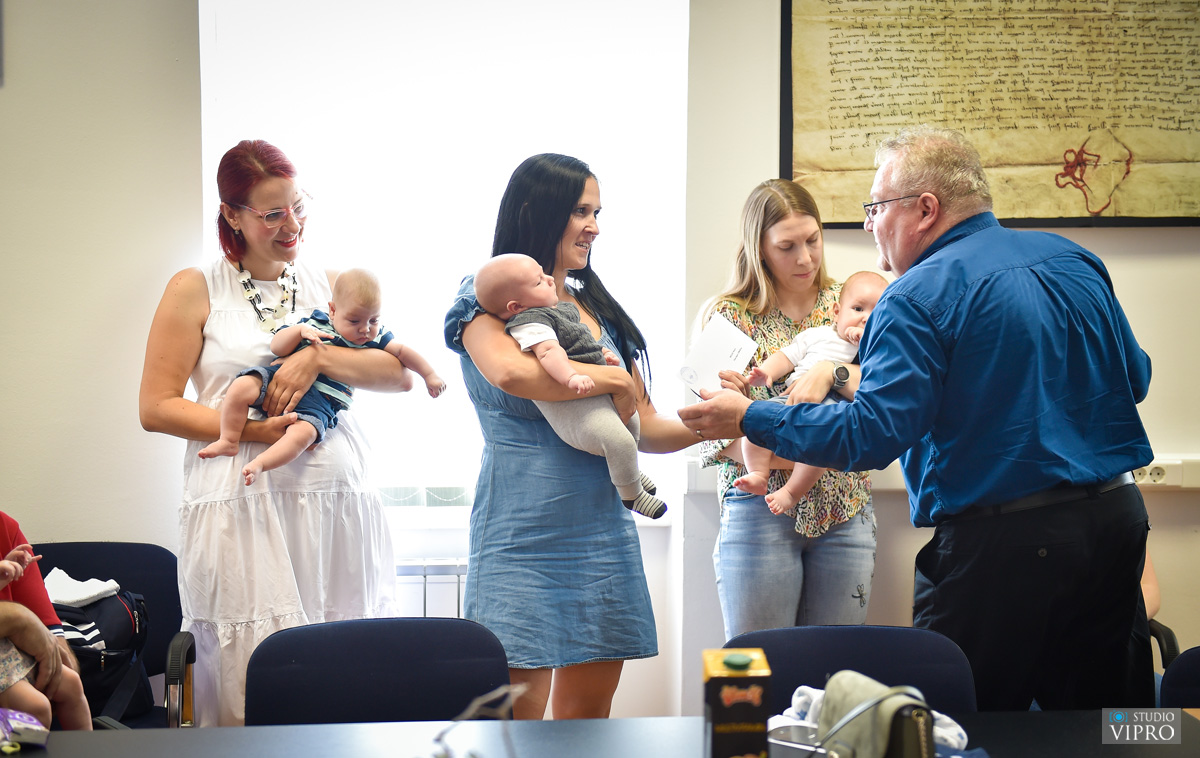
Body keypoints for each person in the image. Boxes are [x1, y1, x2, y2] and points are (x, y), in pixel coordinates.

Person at [680, 125, 1154, 710]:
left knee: (962, 727)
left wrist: (753, 416)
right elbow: (1137, 379)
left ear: (925, 209)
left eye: (875, 207)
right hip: (1116, 524)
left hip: (1002, 549)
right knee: (1105, 723)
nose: (868, 225)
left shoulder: (916, 295)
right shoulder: (1076, 261)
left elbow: (870, 434)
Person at [139, 140, 412, 726]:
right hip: (244, 503)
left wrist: (318, 361)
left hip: (334, 506)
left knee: (341, 657)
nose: (293, 225)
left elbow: (396, 373)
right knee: (250, 663)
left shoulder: (333, 283)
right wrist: (259, 430)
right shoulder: (196, 288)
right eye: (272, 213)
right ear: (232, 216)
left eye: (297, 206)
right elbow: (156, 407)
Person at [444, 153, 697, 720]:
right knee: (515, 732)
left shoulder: (590, 307)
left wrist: (730, 419)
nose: (595, 226)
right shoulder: (487, 296)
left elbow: (646, 427)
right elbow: (513, 375)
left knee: (588, 733)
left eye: (597, 211)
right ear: (537, 211)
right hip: (519, 539)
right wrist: (611, 379)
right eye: (581, 211)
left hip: (601, 536)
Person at [694, 178, 877, 642]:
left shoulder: (856, 304)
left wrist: (833, 375)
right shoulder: (727, 316)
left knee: (835, 674)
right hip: (757, 509)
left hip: (845, 510)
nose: (805, 259)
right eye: (787, 246)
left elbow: (884, 393)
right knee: (751, 675)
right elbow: (711, 430)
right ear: (758, 248)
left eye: (813, 240)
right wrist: (814, 453)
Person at [200, 268, 446, 485]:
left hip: (322, 402)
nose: (365, 328)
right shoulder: (315, 323)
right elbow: (277, 347)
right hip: (278, 377)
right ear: (332, 310)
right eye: (354, 320)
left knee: (303, 435)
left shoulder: (377, 338)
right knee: (242, 386)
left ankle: (261, 464)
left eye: (374, 319)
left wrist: (429, 374)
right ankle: (229, 439)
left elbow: (403, 357)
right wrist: (299, 331)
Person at [474, 252, 665, 518]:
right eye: (539, 282)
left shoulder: (559, 311)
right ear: (516, 306)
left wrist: (601, 355)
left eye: (544, 274)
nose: (550, 280)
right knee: (616, 438)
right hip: (573, 401)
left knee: (631, 422)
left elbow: (577, 343)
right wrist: (571, 377)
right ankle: (631, 495)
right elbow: (549, 353)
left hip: (590, 390)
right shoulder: (530, 322)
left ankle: (626, 471)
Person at [736, 270, 888, 515]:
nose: (865, 319)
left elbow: (877, 385)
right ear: (836, 312)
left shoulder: (877, 349)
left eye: (876, 314)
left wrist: (867, 343)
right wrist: (766, 373)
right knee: (755, 423)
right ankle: (757, 473)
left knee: (819, 448)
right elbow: (787, 356)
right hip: (791, 399)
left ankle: (791, 492)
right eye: (858, 309)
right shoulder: (817, 335)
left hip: (834, 411)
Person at [0, 512, 89, 731]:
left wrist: (8, 572)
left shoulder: (5, 528)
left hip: (7, 648)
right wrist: (17, 618)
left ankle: (87, 750)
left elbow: (56, 643)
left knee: (70, 682)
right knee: (36, 708)